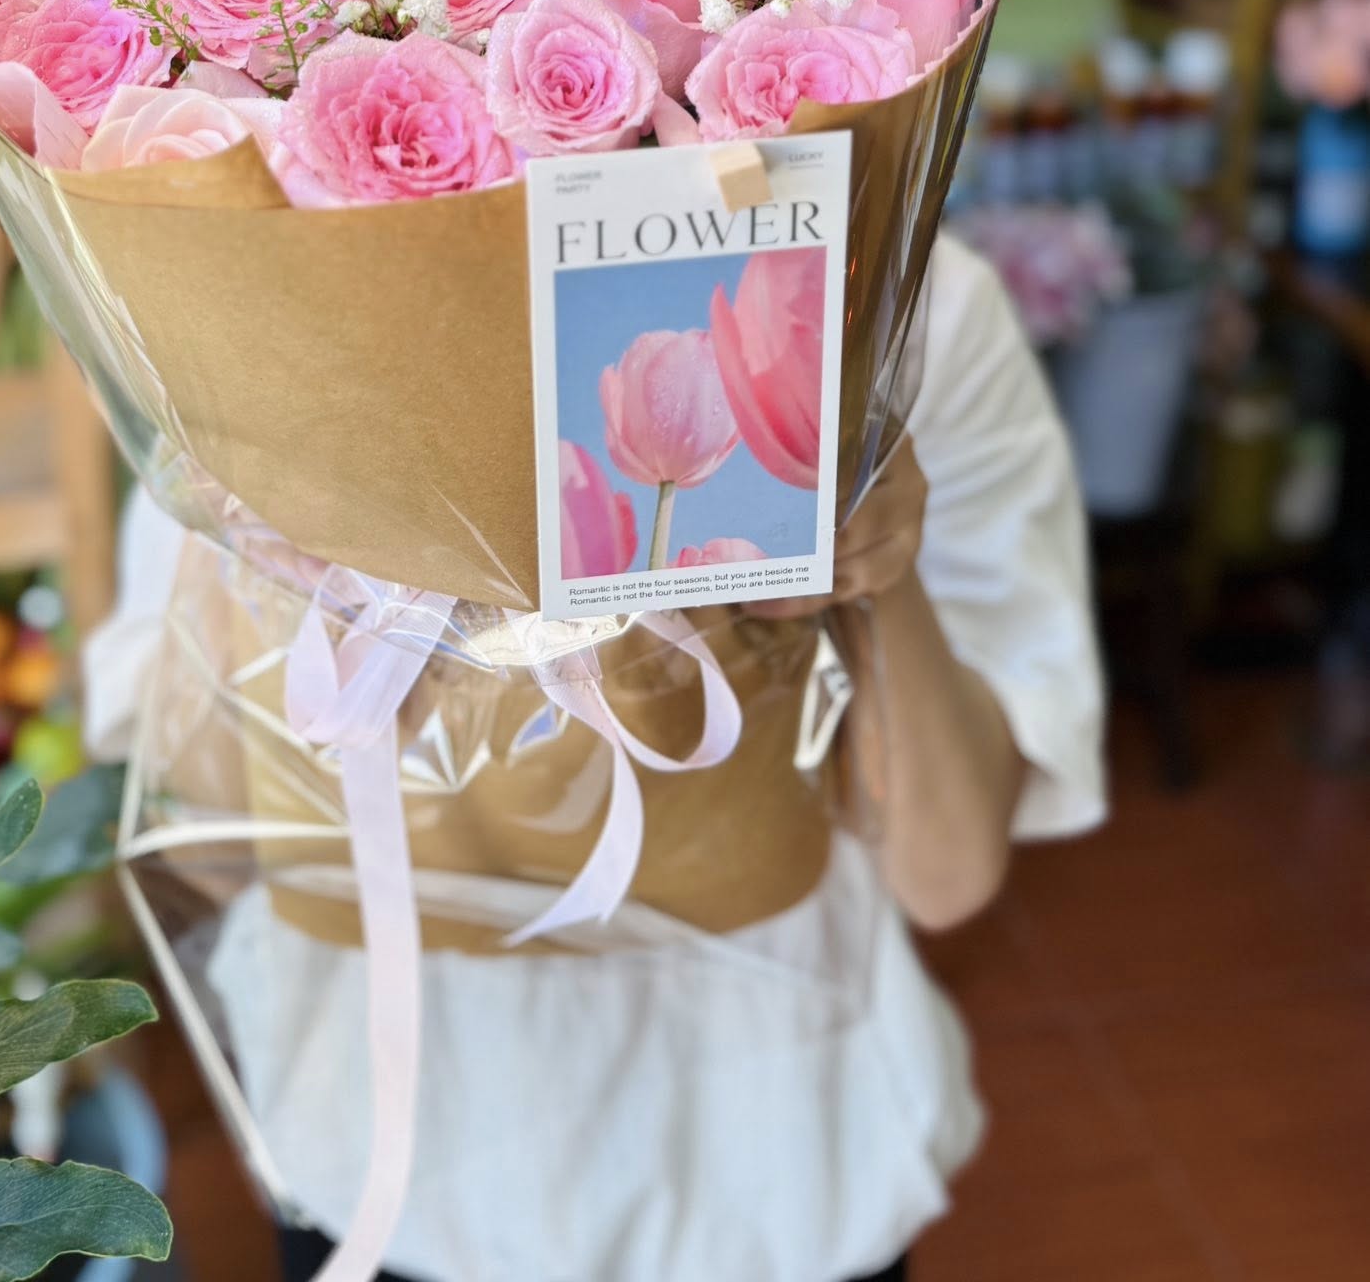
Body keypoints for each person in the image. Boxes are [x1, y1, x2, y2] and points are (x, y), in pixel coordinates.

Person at [93, 232, 1105, 1282]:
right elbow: (215, 850)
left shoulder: (881, 298)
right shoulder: (242, 322)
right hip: (387, 1155)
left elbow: (945, 873)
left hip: (770, 1166)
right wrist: (235, 514)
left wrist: (878, 566)